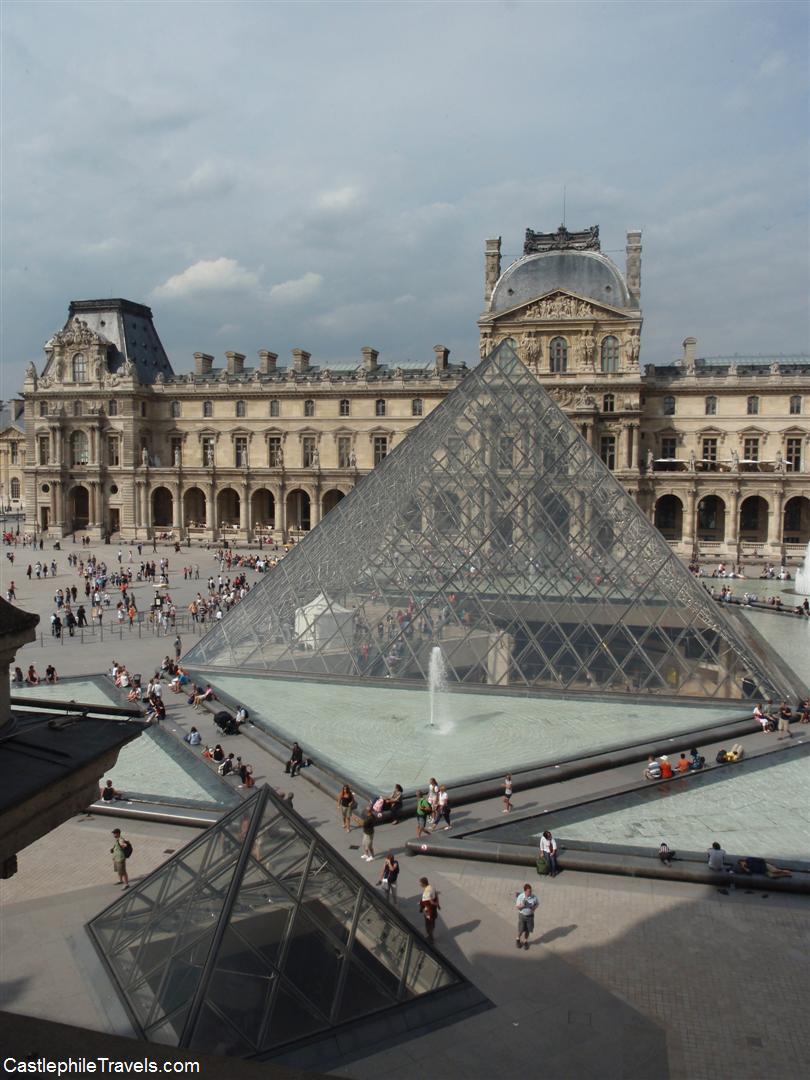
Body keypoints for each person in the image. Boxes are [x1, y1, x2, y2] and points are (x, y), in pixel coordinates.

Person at [515, 882, 539, 950]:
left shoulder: (534, 897)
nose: (530, 892)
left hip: (530, 916)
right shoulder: (520, 896)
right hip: (522, 915)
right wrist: (523, 905)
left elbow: (537, 904)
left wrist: (534, 908)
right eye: (529, 891)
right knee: (521, 929)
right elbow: (517, 907)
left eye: (531, 891)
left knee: (528, 930)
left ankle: (525, 941)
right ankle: (518, 939)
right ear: (525, 891)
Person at [419, 877, 440, 941]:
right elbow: (436, 894)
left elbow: (428, 902)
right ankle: (431, 933)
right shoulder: (431, 887)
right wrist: (437, 903)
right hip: (433, 910)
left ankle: (430, 938)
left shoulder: (426, 893)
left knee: (428, 925)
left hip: (428, 911)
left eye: (420, 883)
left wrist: (422, 908)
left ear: (424, 883)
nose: (420, 885)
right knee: (432, 923)